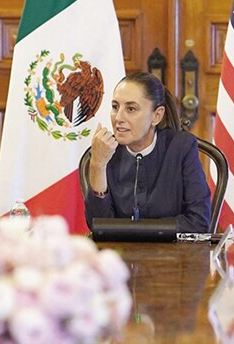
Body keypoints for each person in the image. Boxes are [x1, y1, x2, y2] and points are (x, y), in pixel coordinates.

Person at [83, 71, 211, 232]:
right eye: (115, 107)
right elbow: (98, 226)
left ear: (156, 116)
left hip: (172, 255)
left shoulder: (181, 147)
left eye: (131, 109)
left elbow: (199, 221)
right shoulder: (106, 150)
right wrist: (98, 165)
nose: (118, 118)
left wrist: (134, 231)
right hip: (120, 255)